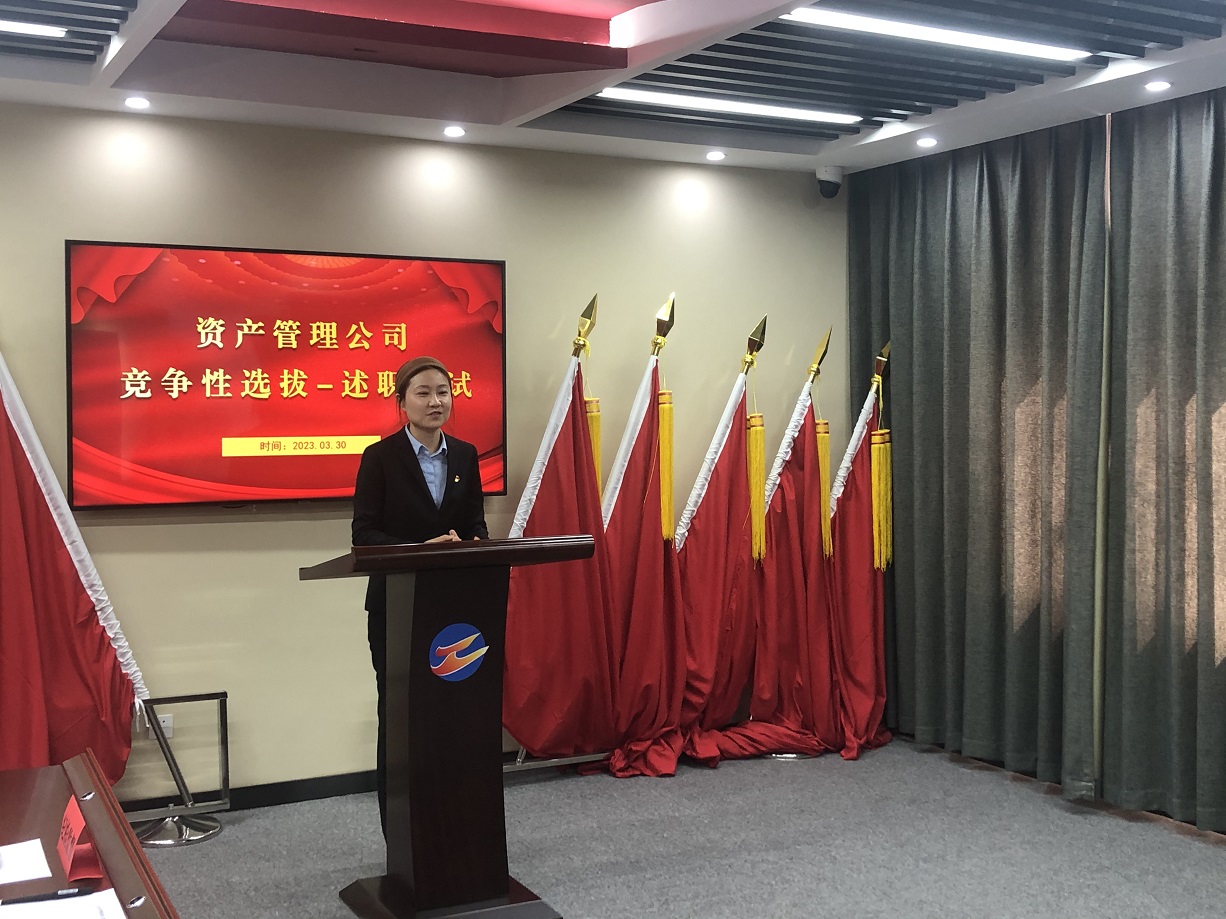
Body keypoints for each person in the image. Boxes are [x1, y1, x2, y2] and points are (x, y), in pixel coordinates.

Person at [351, 355, 488, 834]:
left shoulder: (466, 455)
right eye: (424, 393)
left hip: (456, 611)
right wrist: (421, 548)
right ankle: (402, 837)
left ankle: (455, 829)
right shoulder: (379, 458)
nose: (436, 402)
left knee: (455, 715)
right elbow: (364, 534)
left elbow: (476, 526)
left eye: (443, 392)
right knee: (401, 715)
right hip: (397, 606)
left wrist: (471, 543)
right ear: (402, 403)